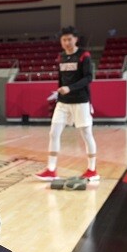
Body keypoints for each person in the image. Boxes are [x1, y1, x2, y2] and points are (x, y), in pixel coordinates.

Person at [34, 26, 100, 182]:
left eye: (69, 39)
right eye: (64, 40)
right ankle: (51, 170)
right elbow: (61, 79)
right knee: (54, 133)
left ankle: (92, 170)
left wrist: (70, 88)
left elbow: (88, 78)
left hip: (81, 101)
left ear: (76, 39)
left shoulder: (84, 55)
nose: (67, 42)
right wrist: (60, 91)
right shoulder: (61, 56)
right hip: (63, 102)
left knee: (86, 134)